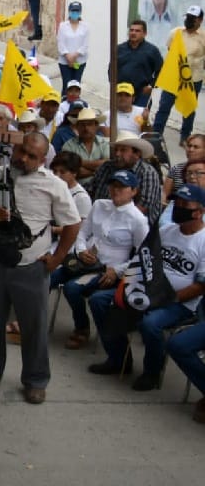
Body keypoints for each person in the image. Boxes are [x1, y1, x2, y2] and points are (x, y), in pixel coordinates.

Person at [0, 132, 81, 405]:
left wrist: (58, 258)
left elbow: (72, 223)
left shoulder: (53, 184)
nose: (24, 159)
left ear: (42, 160)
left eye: (32, 156)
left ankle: (35, 380)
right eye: (21, 152)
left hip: (31, 265)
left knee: (33, 326)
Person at [89, 184, 205, 391]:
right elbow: (142, 260)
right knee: (99, 300)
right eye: (176, 202)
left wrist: (165, 299)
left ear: (199, 211)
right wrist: (128, 284)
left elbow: (200, 286)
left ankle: (152, 373)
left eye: (184, 204)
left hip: (179, 302)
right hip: (147, 290)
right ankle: (118, 359)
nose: (178, 207)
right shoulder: (166, 231)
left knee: (151, 324)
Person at [50, 169, 149, 351]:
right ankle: (30, 320)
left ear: (133, 191)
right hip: (84, 261)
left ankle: (81, 327)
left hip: (106, 268)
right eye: (113, 186)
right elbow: (82, 232)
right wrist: (81, 250)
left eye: (121, 187)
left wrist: (117, 271)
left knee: (72, 288)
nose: (115, 190)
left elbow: (142, 256)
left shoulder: (138, 220)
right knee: (48, 277)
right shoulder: (100, 205)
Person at [152, 5, 204, 147]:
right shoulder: (175, 33)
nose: (189, 20)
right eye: (188, 17)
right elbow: (171, 50)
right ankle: (156, 134)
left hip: (193, 79)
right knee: (164, 106)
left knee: (189, 109)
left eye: (193, 18)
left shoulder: (203, 37)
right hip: (174, 78)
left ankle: (185, 137)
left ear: (200, 20)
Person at [86, 131, 163, 224]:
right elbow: (89, 190)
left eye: (123, 150)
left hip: (131, 225)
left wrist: (110, 222)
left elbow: (142, 208)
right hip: (98, 219)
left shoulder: (147, 173)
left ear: (137, 153)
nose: (117, 154)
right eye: (116, 150)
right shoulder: (106, 167)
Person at [116, 20, 163, 107]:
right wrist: (113, 84)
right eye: (131, 30)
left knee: (139, 116)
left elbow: (161, 71)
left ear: (144, 34)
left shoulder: (152, 51)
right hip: (121, 92)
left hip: (141, 94)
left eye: (137, 31)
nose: (133, 33)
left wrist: (151, 86)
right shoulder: (119, 49)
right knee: (119, 115)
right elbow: (112, 69)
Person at [60, 107, 109, 187]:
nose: (86, 128)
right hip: (77, 189)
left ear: (96, 126)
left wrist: (79, 162)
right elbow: (73, 171)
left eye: (89, 124)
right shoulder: (68, 145)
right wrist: (97, 171)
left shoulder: (105, 143)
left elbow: (107, 164)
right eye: (82, 125)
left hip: (101, 189)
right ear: (77, 127)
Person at [56, 1, 89, 86]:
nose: (75, 13)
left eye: (77, 11)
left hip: (79, 61)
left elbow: (85, 45)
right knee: (66, 85)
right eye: (73, 11)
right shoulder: (63, 26)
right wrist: (68, 56)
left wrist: (75, 56)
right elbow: (60, 43)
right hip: (65, 61)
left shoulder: (85, 27)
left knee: (76, 85)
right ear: (69, 12)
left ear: (80, 12)